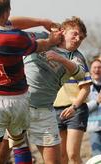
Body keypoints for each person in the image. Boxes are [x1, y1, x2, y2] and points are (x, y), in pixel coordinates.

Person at [0, 0, 62, 164]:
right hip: (18, 101)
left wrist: (40, 22)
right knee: (19, 143)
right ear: (6, 13)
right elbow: (41, 45)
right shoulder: (16, 38)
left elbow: (11, 23)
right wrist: (52, 39)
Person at [23, 16, 90, 164]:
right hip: (18, 103)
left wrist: (61, 59)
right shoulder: (44, 37)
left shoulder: (76, 56)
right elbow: (12, 30)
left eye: (81, 37)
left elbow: (79, 74)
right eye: (75, 33)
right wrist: (40, 22)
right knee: (2, 154)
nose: (78, 39)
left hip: (43, 112)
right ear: (63, 31)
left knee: (57, 160)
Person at [53, 67, 91, 163]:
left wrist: (74, 107)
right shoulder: (50, 58)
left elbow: (86, 88)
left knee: (73, 154)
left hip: (75, 110)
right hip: (54, 110)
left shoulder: (78, 59)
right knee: (61, 155)